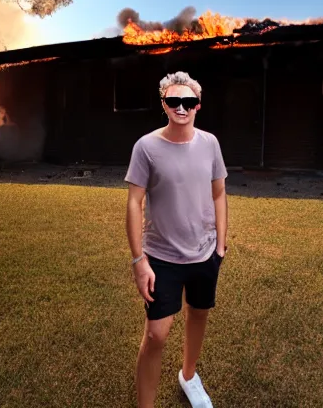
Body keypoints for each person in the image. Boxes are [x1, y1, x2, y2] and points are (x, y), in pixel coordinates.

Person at [125, 71, 228, 408]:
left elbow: (219, 193)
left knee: (199, 314)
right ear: (164, 104)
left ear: (197, 105)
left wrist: (221, 245)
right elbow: (133, 203)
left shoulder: (210, 143)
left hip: (205, 254)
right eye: (173, 101)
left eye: (188, 101)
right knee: (156, 335)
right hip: (161, 258)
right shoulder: (146, 147)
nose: (181, 107)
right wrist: (139, 261)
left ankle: (188, 375)